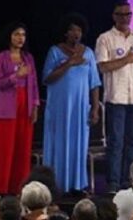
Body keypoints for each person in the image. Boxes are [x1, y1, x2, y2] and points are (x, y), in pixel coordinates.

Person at [96, 1, 133, 192]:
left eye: (128, 14)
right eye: (120, 14)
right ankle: (113, 183)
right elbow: (102, 66)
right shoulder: (105, 38)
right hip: (116, 99)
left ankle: (129, 181)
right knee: (115, 142)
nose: (124, 18)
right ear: (114, 16)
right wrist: (126, 60)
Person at [43, 13, 102, 193]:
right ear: (65, 33)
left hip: (80, 109)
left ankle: (76, 185)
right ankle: (55, 184)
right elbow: (47, 78)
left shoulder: (89, 53)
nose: (76, 34)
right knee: (58, 144)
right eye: (72, 30)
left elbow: (94, 83)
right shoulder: (54, 51)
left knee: (78, 145)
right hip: (59, 109)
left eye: (79, 30)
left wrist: (95, 108)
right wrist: (69, 63)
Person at [0, 22, 41, 194]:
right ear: (9, 37)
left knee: (23, 148)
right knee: (5, 148)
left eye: (23, 35)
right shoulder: (1, 57)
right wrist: (16, 76)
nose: (20, 38)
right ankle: (0, 188)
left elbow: (34, 84)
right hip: (6, 109)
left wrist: (35, 106)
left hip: (25, 106)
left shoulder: (28, 58)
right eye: (16, 34)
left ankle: (19, 188)